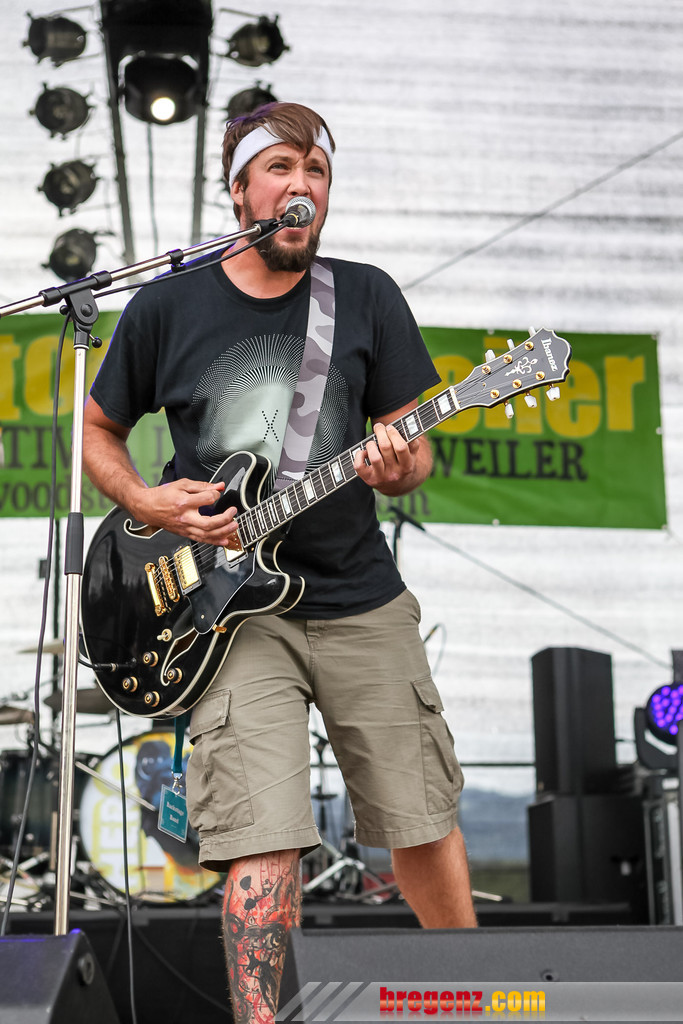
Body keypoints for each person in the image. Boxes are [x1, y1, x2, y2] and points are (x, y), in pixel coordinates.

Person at [82, 101, 477, 1023]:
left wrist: (398, 463)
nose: (303, 186)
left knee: (419, 815)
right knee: (261, 832)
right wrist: (145, 501)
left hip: (358, 596)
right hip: (226, 616)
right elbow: (98, 429)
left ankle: (475, 996)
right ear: (239, 192)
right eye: (281, 169)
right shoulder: (166, 304)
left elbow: (412, 452)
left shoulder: (365, 295)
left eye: (317, 172)